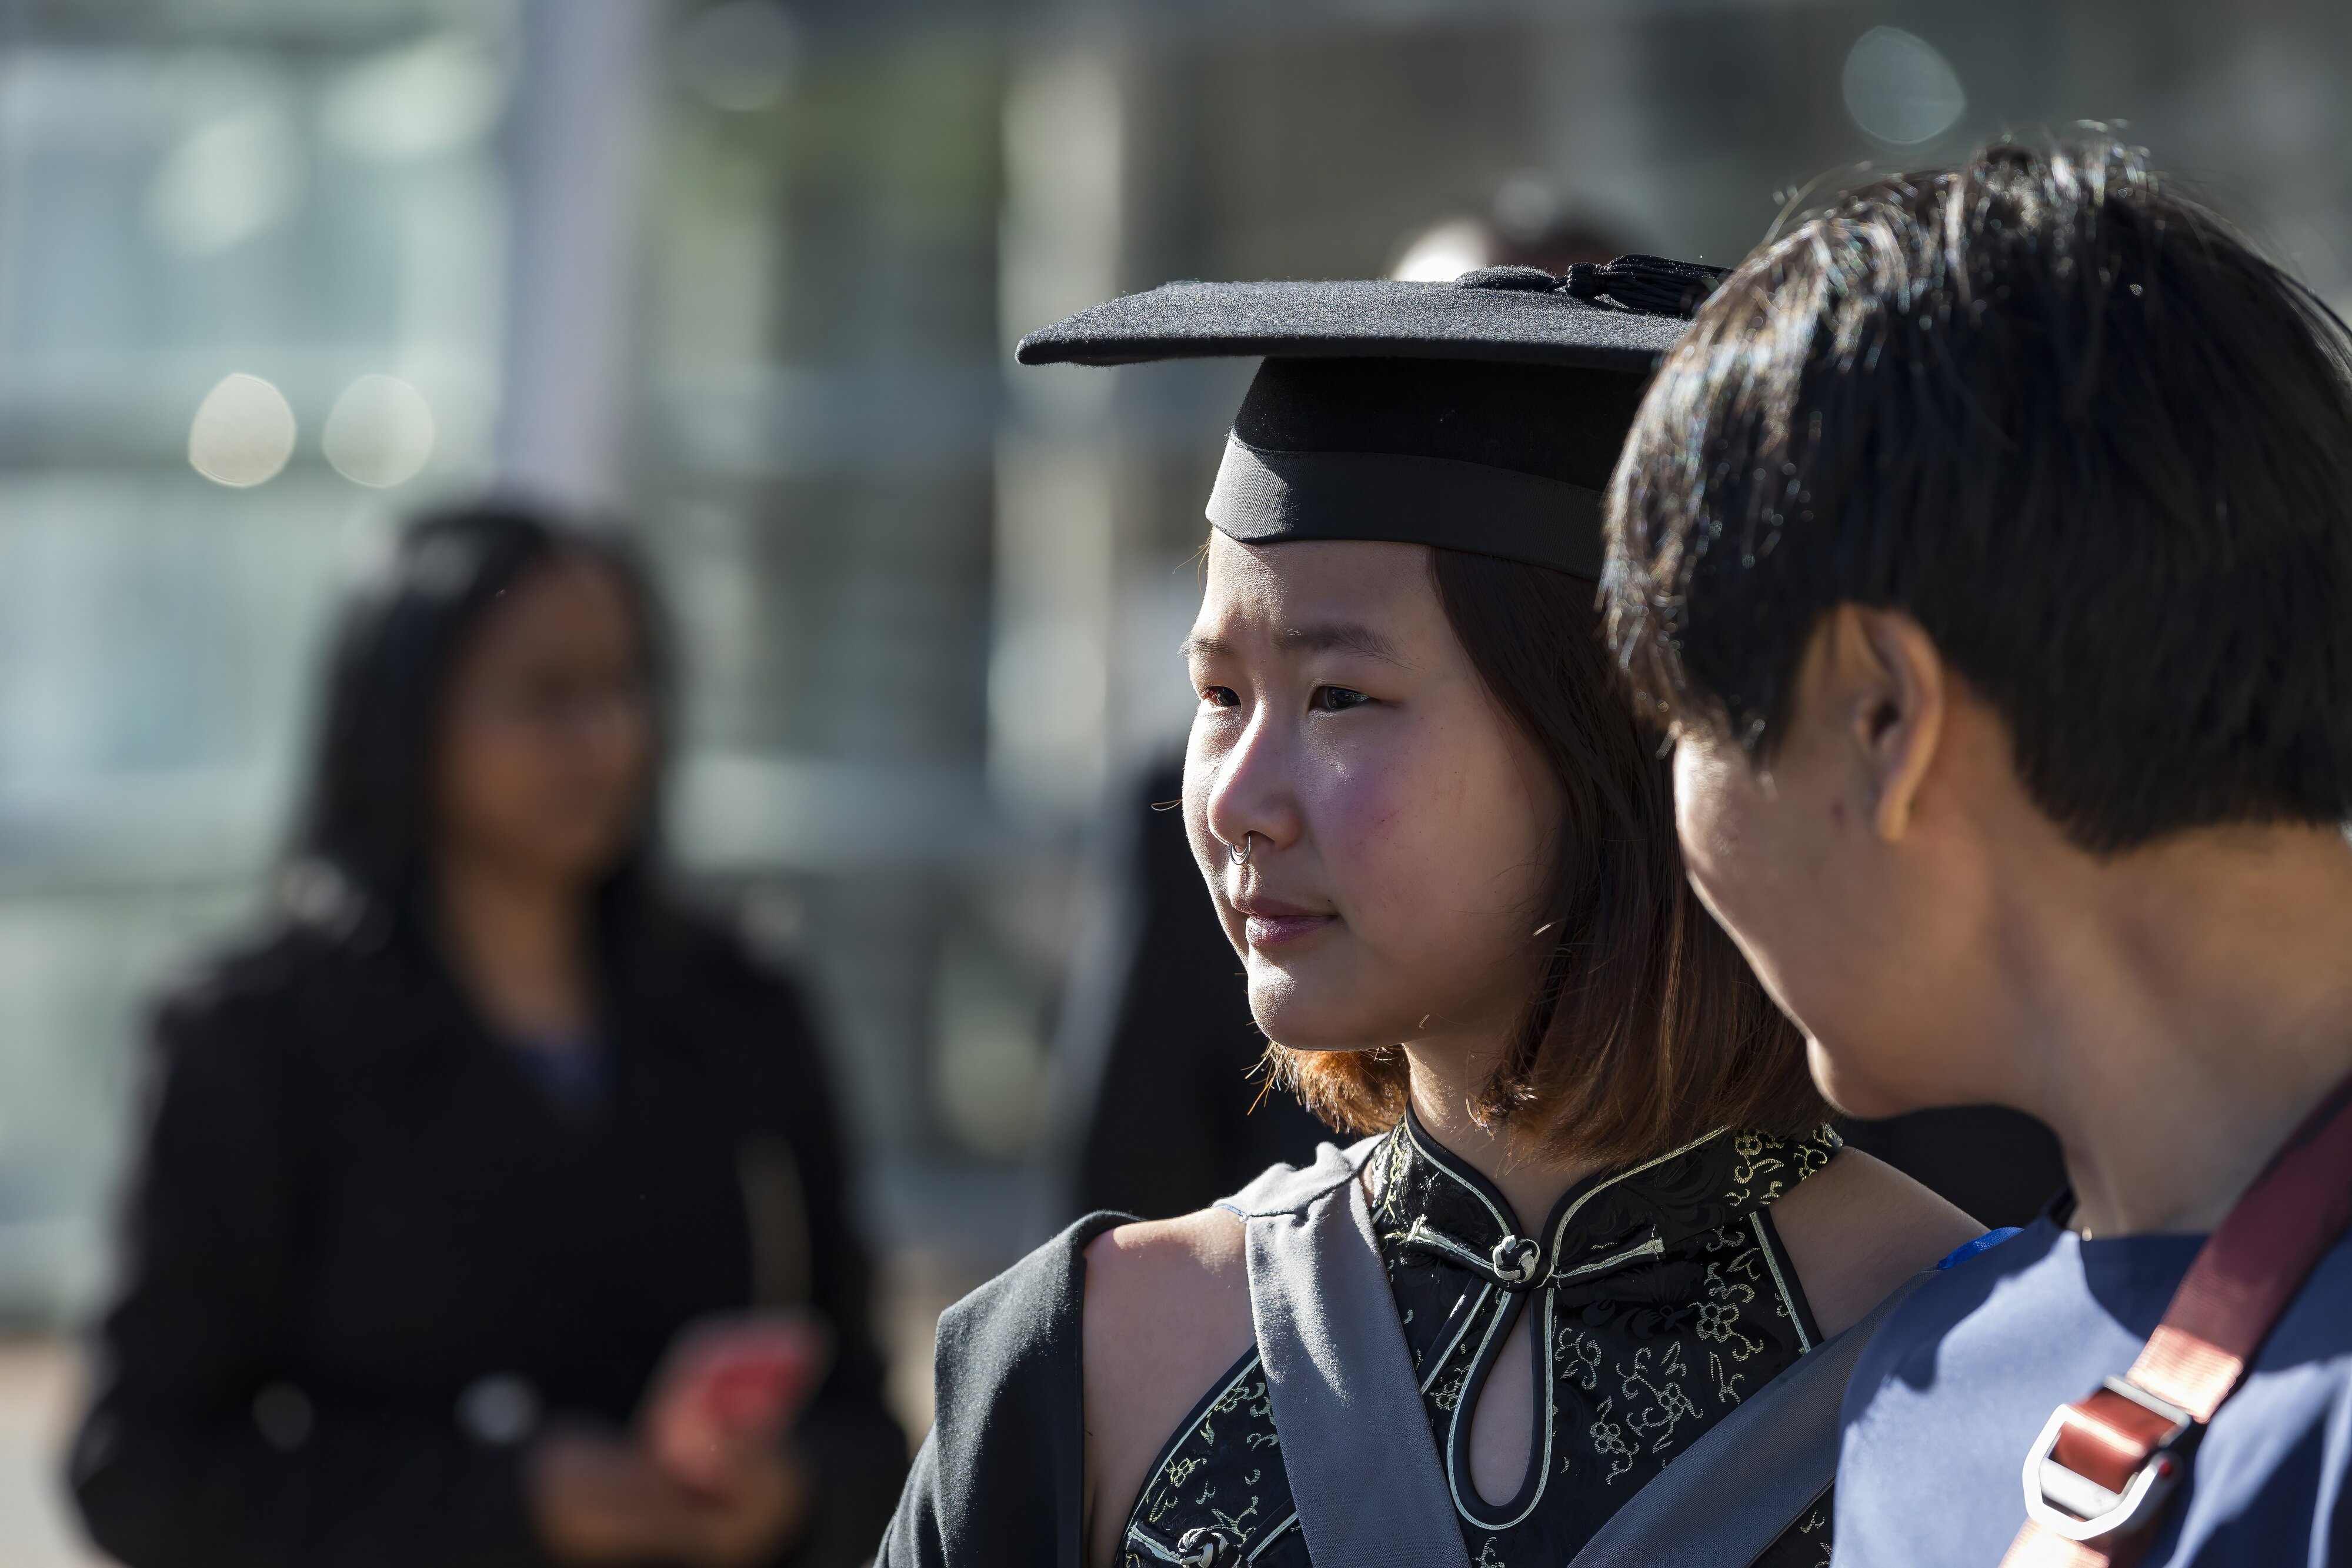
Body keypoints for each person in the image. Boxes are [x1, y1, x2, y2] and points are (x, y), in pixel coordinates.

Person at [883, 259, 1981, 1568]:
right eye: (1218, 694)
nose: (1236, 801)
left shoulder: (1993, 1380)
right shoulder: (1078, 1364)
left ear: (1618, 742)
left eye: (1339, 697)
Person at [1603, 140, 2352, 1565]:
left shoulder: (1939, 1391)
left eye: (1682, 722)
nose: (1677, 828)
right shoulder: (1930, 1370)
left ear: (1883, 715)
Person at [70, 505, 906, 1567]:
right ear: (404, 716)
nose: (607, 736)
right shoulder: (256, 1042)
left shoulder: (744, 1012)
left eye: (628, 685)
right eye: (548, 695)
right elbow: (139, 1468)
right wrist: (505, 1500)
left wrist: (791, 1492)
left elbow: (870, 1429)